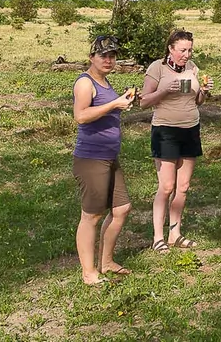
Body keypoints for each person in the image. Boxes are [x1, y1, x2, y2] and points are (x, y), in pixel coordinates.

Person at [71, 35, 138, 285]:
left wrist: (121, 103)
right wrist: (113, 104)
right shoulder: (85, 83)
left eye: (112, 55)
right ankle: (89, 273)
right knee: (91, 215)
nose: (109, 60)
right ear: (91, 57)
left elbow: (106, 108)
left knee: (121, 209)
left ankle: (107, 262)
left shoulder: (105, 81)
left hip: (110, 157)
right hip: (91, 158)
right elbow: (81, 116)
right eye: (103, 55)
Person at [140, 29, 213, 254]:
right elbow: (143, 102)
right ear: (171, 48)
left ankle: (175, 234)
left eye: (189, 50)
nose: (187, 54)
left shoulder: (192, 68)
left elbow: (197, 101)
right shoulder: (157, 68)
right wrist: (164, 90)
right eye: (182, 50)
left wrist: (205, 92)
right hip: (165, 130)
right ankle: (158, 237)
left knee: (182, 187)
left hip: (190, 129)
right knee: (167, 186)